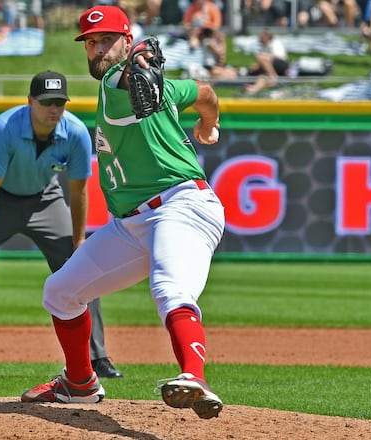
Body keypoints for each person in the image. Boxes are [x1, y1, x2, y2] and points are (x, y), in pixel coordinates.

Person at [21, 5, 225, 420]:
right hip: (130, 224)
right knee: (60, 292)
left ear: (128, 41)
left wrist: (135, 67)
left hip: (181, 207)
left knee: (170, 288)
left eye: (107, 40)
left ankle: (195, 376)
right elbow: (204, 92)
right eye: (91, 42)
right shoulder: (157, 87)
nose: (97, 49)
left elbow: (132, 78)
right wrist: (208, 122)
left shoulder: (123, 79)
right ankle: (79, 383)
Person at [0, 71, 123, 380]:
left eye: (60, 103)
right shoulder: (4, 128)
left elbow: (78, 191)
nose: (54, 109)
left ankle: (98, 357)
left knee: (83, 266)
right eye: (47, 102)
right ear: (30, 102)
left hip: (45, 198)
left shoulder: (75, 132)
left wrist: (78, 241)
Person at [182, 0, 226, 69]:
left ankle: (216, 64)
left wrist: (205, 27)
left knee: (212, 42)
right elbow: (185, 24)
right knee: (193, 42)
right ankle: (192, 63)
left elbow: (216, 26)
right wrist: (194, 30)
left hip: (208, 34)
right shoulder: (191, 8)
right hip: (195, 35)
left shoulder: (212, 7)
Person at [243, 28, 289, 95]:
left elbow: (280, 57)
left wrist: (264, 58)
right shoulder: (264, 47)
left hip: (281, 64)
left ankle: (273, 77)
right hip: (272, 67)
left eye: (261, 37)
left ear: (267, 37)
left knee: (260, 57)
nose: (259, 40)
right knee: (262, 77)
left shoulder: (275, 43)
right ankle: (254, 89)